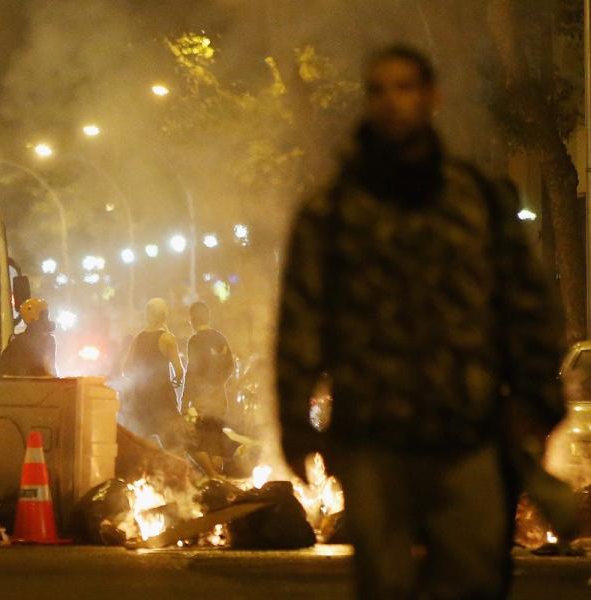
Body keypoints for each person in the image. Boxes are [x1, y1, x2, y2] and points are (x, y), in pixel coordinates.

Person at [276, 45, 564, 600]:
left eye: (405, 87)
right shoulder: (332, 210)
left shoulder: (477, 198)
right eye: (379, 89)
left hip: (469, 433)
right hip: (372, 436)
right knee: (386, 586)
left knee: (476, 580)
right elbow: (301, 321)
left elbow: (526, 303)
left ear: (431, 97)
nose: (392, 102)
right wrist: (293, 419)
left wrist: (536, 399)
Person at [122, 298, 185, 448]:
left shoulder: (138, 338)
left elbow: (126, 370)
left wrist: (141, 381)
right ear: (164, 315)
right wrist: (176, 381)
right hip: (163, 399)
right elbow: (179, 370)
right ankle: (174, 471)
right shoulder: (168, 338)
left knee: (140, 444)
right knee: (173, 443)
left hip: (141, 399)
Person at [182, 301, 234, 424]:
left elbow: (192, 371)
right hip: (220, 400)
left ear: (193, 320)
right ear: (208, 317)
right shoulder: (220, 338)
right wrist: (218, 383)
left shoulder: (195, 341)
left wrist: (185, 401)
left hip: (202, 401)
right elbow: (230, 365)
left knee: (203, 438)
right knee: (217, 434)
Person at [0, 298, 57, 377]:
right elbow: (50, 373)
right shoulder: (47, 341)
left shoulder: (14, 342)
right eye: (44, 316)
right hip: (35, 388)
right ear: (34, 319)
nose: (47, 320)